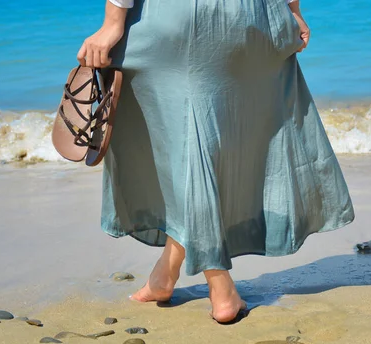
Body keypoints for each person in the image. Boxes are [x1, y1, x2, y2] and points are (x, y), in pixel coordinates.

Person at [77, 0, 355, 323]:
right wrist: (292, 10)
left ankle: (220, 286)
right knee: (206, 142)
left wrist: (113, 21)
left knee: (185, 142)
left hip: (174, 17)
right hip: (250, 18)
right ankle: (164, 274)